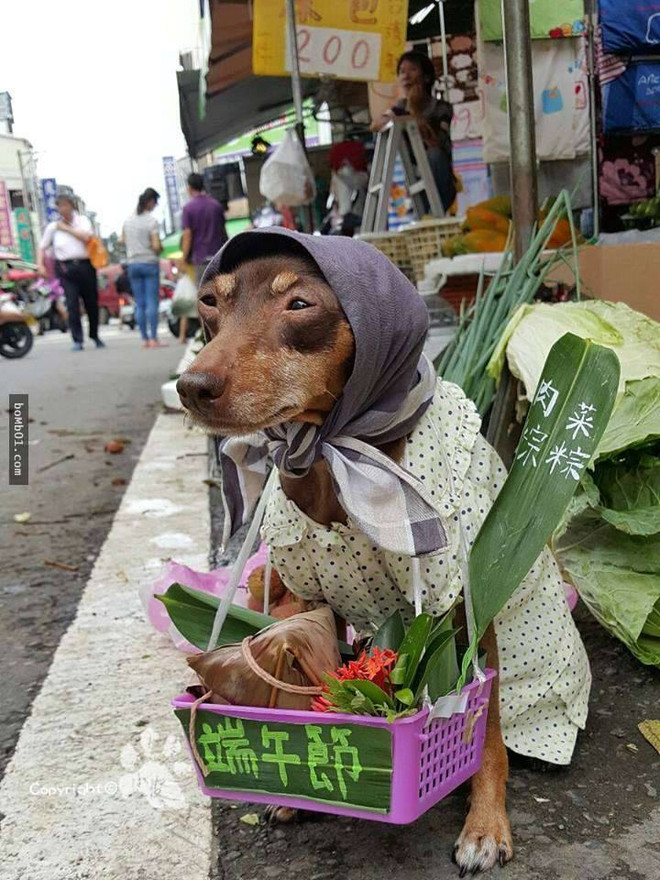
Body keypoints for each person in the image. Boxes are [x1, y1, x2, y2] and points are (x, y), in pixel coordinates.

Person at [371, 50, 456, 213]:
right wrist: (407, 114)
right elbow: (376, 125)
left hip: (441, 185)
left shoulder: (441, 108)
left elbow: (435, 143)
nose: (406, 76)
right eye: (402, 71)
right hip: (415, 184)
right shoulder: (400, 107)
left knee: (434, 155)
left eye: (412, 70)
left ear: (426, 77)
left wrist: (416, 113)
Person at [37, 194, 104, 351]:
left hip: (86, 265)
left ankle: (94, 335)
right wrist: (40, 265)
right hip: (66, 268)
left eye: (66, 205)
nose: (63, 209)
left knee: (91, 303)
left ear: (72, 206)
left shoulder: (83, 221)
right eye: (60, 206)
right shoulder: (52, 227)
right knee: (72, 304)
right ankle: (77, 339)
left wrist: (66, 228)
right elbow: (42, 247)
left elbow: (87, 238)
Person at [179, 172, 227, 342]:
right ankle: (224, 332)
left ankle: (208, 338)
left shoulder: (188, 208)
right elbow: (223, 231)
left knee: (203, 300)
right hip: (219, 257)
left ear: (189, 188)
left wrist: (183, 259)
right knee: (222, 297)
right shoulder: (216, 205)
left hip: (200, 259)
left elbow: (188, 235)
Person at [122, 188, 164, 348]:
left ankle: (144, 339)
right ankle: (154, 338)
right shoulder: (151, 221)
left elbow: (121, 240)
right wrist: (159, 248)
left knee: (139, 303)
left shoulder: (128, 220)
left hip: (133, 264)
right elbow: (155, 245)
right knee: (152, 301)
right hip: (149, 263)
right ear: (151, 201)